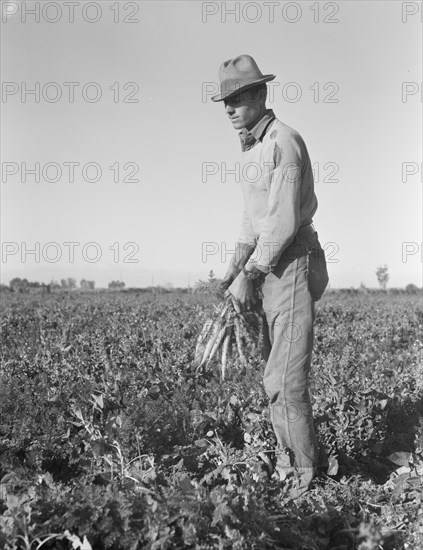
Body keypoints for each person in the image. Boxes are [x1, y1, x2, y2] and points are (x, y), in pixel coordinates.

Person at [211, 54, 329, 497]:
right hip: (267, 269)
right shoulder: (251, 147)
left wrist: (251, 273)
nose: (228, 108)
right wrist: (231, 272)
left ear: (261, 95)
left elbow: (280, 225)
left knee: (285, 377)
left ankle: (304, 478)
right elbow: (252, 222)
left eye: (237, 98)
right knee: (271, 375)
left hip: (292, 266)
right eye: (224, 100)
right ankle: (286, 463)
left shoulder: (285, 142)